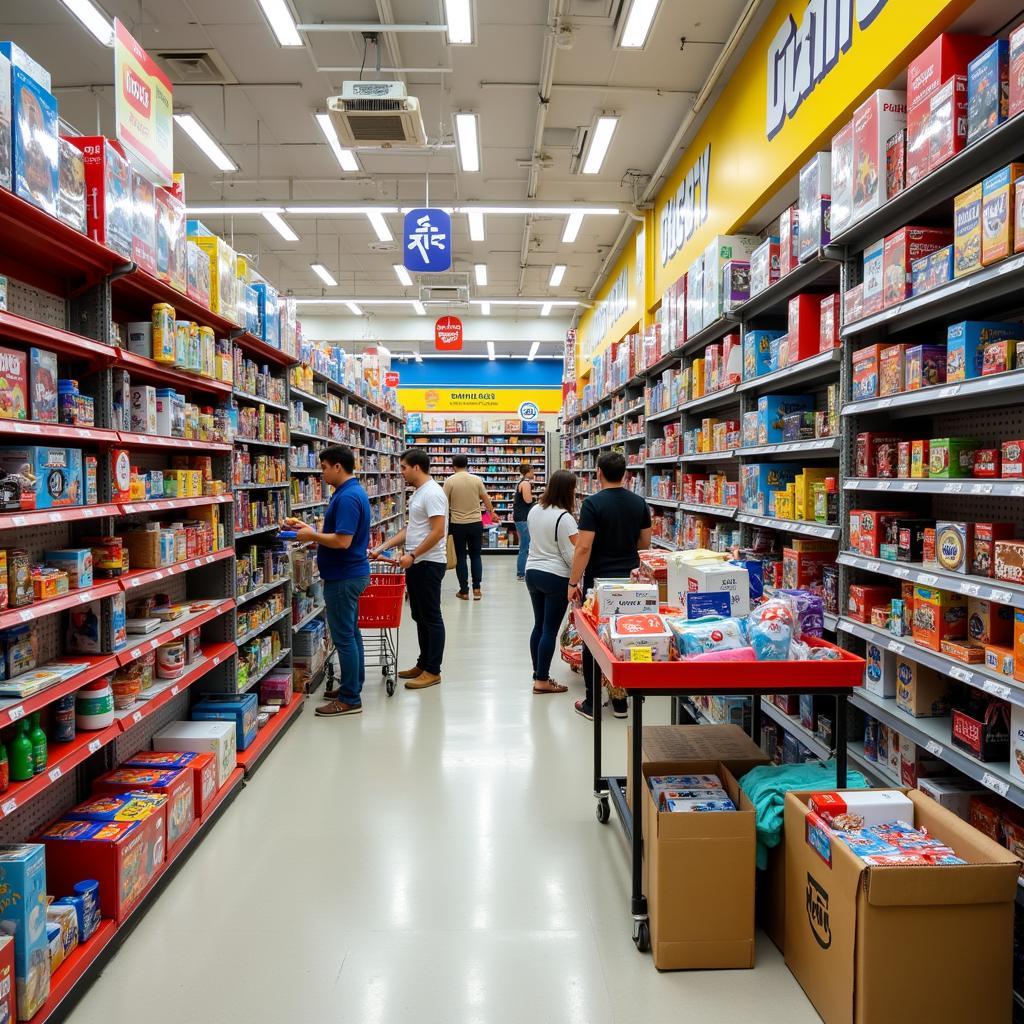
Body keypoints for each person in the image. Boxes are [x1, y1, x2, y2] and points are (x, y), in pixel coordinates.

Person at [283, 445, 371, 718]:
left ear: (337, 466)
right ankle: (352, 685)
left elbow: (342, 541)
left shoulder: (347, 497)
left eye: (323, 467)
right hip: (349, 573)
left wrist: (312, 536)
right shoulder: (349, 493)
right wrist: (309, 532)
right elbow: (337, 535)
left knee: (344, 638)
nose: (321, 473)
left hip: (344, 577)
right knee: (352, 633)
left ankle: (349, 698)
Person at [567, 451, 651, 720]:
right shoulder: (639, 503)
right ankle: (621, 703)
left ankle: (592, 703)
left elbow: (583, 547)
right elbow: (645, 543)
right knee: (625, 639)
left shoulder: (593, 504)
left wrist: (572, 582)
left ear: (598, 472)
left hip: (599, 583)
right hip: (630, 581)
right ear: (625, 474)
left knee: (594, 643)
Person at [370, 449, 448, 689]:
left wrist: (414, 554)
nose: (401, 472)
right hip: (417, 562)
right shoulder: (418, 494)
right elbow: (412, 529)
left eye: (403, 467)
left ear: (416, 467)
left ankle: (433, 670)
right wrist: (383, 547)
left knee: (431, 617)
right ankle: (423, 663)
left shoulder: (433, 493)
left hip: (429, 563)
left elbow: (437, 531)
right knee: (419, 615)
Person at [524, 470, 579, 695]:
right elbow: (571, 554)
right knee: (549, 630)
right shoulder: (564, 518)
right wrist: (576, 580)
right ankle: (542, 681)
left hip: (532, 572)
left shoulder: (535, 510)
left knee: (538, 625)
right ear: (568, 490)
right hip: (555, 576)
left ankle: (538, 672)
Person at [443, 453, 496, 601]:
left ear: (453, 466)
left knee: (460, 557)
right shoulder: (476, 480)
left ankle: (464, 591)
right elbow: (486, 499)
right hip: (475, 524)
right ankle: (477, 589)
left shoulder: (449, 481)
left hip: (457, 525)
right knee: (475, 556)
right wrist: (492, 514)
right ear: (467, 464)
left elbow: (443, 503)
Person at [513, 462, 537, 580]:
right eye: (532, 471)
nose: (534, 473)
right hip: (523, 517)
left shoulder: (521, 482)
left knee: (525, 544)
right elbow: (528, 500)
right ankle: (521, 573)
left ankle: (522, 572)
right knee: (525, 546)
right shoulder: (526, 483)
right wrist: (537, 499)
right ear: (528, 472)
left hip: (520, 517)